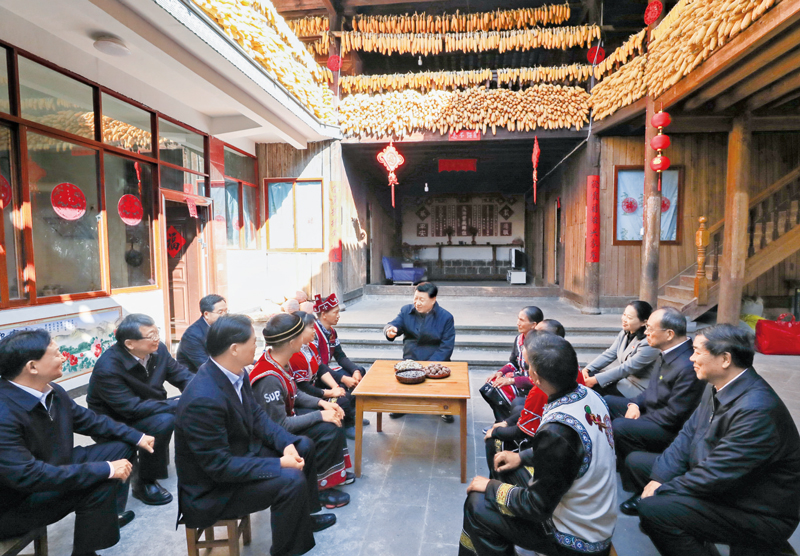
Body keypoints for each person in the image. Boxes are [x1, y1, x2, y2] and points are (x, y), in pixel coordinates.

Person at [624, 324, 800, 556]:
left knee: (654, 509)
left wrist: (662, 490)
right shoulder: (718, 384)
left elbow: (716, 476)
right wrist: (659, 478)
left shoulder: (757, 410)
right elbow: (688, 435)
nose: (691, 358)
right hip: (724, 479)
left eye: (697, 352)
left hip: (758, 509)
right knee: (637, 463)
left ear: (725, 359)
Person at [174, 314, 336, 556]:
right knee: (291, 480)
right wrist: (279, 463)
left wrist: (286, 443)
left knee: (302, 445)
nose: (257, 345)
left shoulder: (235, 373)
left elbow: (258, 417)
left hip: (239, 456)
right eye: (252, 341)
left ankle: (303, 518)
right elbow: (220, 467)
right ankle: (287, 550)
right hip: (214, 489)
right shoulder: (203, 399)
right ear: (234, 349)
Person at [0, 329, 156, 556]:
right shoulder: (4, 413)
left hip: (51, 466)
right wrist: (105, 469)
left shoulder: (51, 391)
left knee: (121, 447)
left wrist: (138, 437)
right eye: (56, 354)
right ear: (32, 367)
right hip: (15, 504)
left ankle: (106, 515)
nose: (63, 357)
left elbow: (91, 421)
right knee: (101, 480)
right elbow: (28, 476)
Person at [461, 333, 617, 556]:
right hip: (593, 514)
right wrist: (521, 457)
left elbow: (536, 506)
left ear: (535, 377)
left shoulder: (557, 430)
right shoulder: (591, 397)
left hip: (575, 537)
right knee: (505, 465)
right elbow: (567, 454)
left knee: (477, 505)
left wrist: (490, 487)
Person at [87, 313, 195, 506]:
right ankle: (144, 482)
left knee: (191, 405)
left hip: (148, 406)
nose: (157, 339)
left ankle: (171, 460)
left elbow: (181, 375)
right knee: (164, 420)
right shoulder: (108, 367)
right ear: (130, 344)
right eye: (151, 336)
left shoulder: (159, 350)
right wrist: (175, 404)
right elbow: (130, 408)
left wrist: (200, 389)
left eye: (157, 333)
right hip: (116, 418)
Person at [251, 312, 354, 509]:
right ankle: (321, 488)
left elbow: (295, 392)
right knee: (328, 429)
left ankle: (333, 475)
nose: (309, 335)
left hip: (287, 418)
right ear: (291, 342)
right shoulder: (268, 377)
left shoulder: (280, 360)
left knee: (333, 416)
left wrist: (322, 403)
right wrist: (320, 414)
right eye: (301, 334)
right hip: (273, 436)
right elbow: (280, 425)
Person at [606, 308, 703, 498]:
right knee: (608, 402)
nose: (646, 333)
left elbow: (674, 416)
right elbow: (650, 390)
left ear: (669, 334)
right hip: (653, 411)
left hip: (668, 427)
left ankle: (638, 481)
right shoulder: (667, 351)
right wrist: (634, 404)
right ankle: (623, 461)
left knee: (621, 426)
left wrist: (638, 419)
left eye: (650, 329)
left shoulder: (687, 365)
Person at [384, 282, 456, 421]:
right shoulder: (406, 311)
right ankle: (402, 405)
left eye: (422, 299)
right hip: (411, 359)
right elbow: (394, 324)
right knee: (402, 379)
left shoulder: (446, 317)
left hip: (435, 362)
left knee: (440, 382)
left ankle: (444, 407)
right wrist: (390, 330)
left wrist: (429, 366)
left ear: (433, 299)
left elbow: (446, 347)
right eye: (415, 298)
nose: (417, 303)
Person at [289, 312, 356, 438]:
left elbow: (321, 368)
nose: (314, 331)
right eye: (311, 327)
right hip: (307, 395)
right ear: (300, 331)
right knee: (342, 401)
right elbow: (304, 388)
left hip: (315, 388)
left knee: (345, 393)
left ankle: (351, 419)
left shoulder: (310, 347)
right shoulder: (296, 356)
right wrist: (330, 393)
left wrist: (335, 387)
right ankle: (346, 426)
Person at [582, 300, 660, 397]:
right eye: (624, 315)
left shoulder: (649, 343)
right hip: (624, 380)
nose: (624, 319)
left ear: (644, 322)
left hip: (638, 388)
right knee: (590, 375)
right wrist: (588, 369)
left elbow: (627, 368)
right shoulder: (625, 333)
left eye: (629, 317)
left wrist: (596, 379)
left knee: (596, 389)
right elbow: (610, 354)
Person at [481, 306, 543, 422]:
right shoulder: (519, 339)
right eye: (518, 319)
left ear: (533, 325)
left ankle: (507, 423)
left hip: (531, 386)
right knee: (490, 386)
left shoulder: (540, 346)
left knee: (497, 390)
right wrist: (500, 373)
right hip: (519, 378)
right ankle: (501, 421)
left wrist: (511, 380)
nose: (517, 323)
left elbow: (539, 379)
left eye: (522, 320)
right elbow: (514, 362)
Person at [313, 293, 366, 390]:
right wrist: (343, 378)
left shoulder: (332, 332)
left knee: (360, 371)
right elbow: (319, 366)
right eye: (335, 312)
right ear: (324, 315)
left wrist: (355, 370)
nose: (338, 316)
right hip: (318, 375)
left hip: (327, 371)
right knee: (343, 384)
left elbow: (340, 357)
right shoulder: (313, 333)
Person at [176, 294, 227, 373]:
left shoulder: (223, 327)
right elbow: (205, 365)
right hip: (195, 375)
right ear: (206, 314)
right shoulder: (192, 336)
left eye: (226, 311)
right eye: (220, 312)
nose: (225, 315)